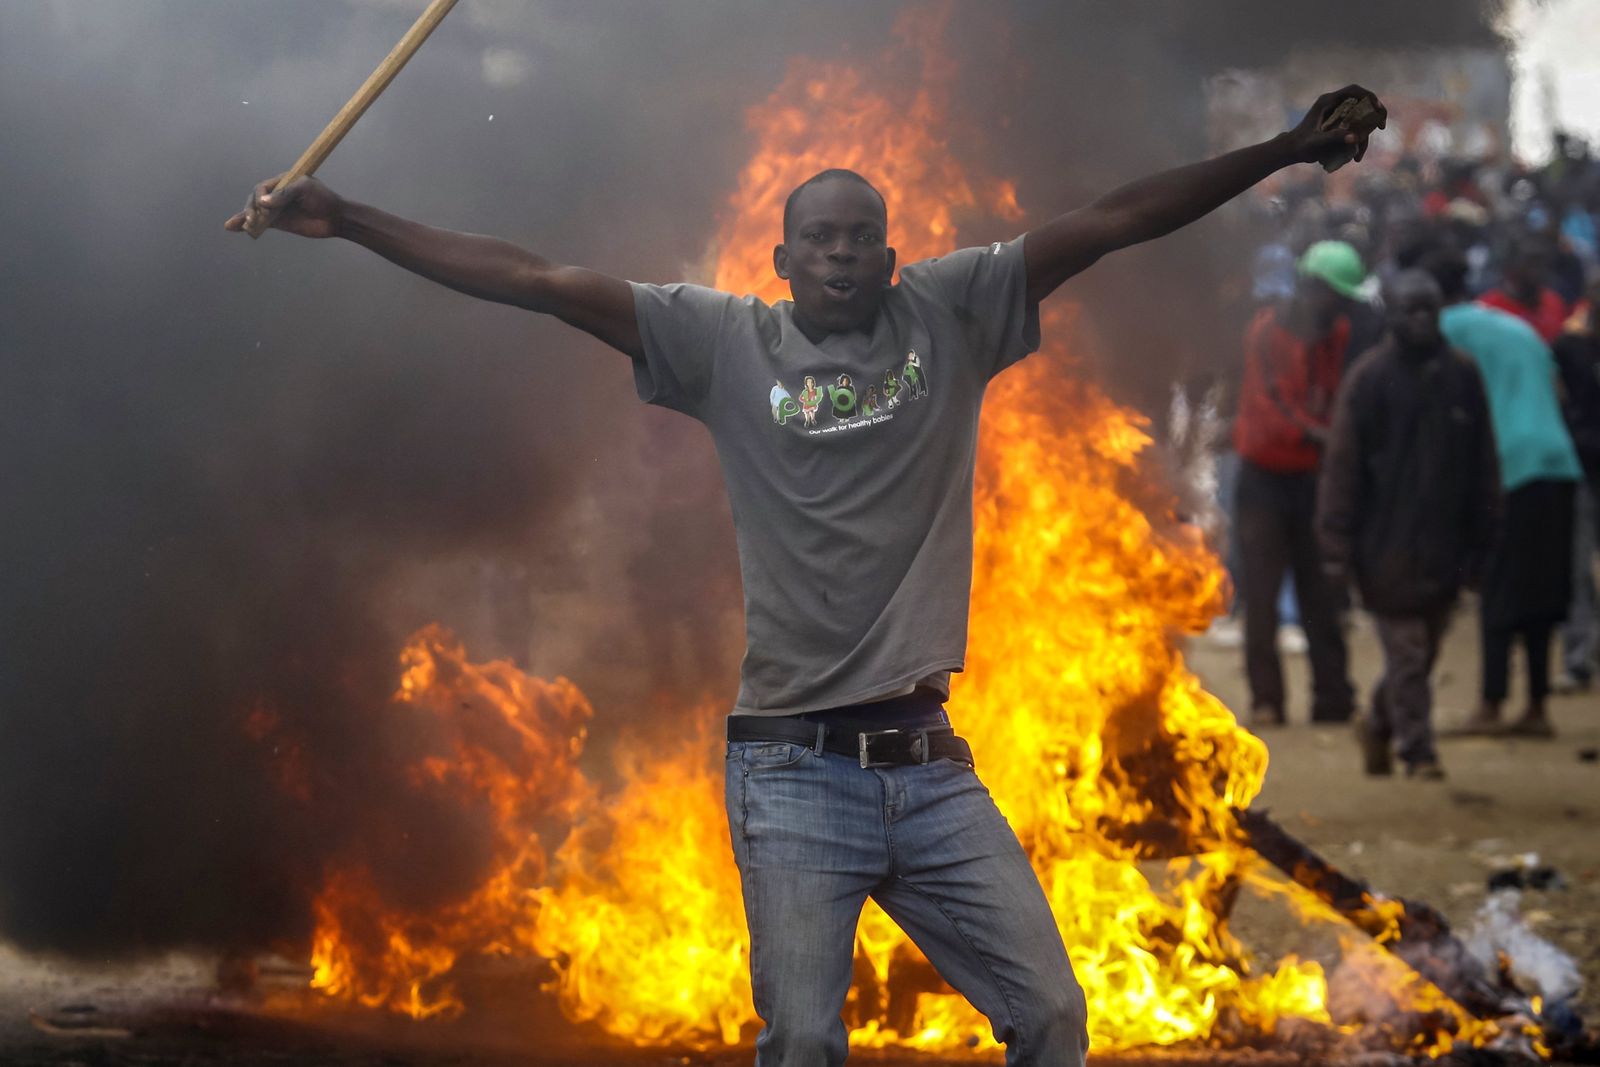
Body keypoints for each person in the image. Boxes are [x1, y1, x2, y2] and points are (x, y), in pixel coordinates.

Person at [227, 85, 1385, 1067]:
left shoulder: (952, 310)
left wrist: (1283, 150)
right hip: (790, 773)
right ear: (779, 262)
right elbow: (533, 276)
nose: (840, 253)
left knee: (1050, 1013)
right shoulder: (721, 342)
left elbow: (1119, 217)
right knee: (801, 1044)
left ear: (892, 252)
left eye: (860, 236)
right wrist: (354, 218)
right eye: (817, 239)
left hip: (933, 775)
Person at [1317, 271, 1499, 779]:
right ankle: (1418, 753)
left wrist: (1484, 542)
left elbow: (1484, 464)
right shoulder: (1370, 380)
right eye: (1410, 311)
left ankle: (1378, 723)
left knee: (1420, 655)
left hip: (1446, 550)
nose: (1421, 320)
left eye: (1429, 310)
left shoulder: (1463, 375)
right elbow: (1342, 472)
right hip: (1385, 552)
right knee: (1410, 655)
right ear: (1391, 316)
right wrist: (1336, 550)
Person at [1426, 252, 1582, 739]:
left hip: (1511, 463)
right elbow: (1557, 390)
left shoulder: (1445, 330)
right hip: (1558, 459)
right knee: (1543, 587)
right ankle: (1536, 706)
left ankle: (1491, 704)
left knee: (1498, 585)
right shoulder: (1511, 325)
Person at [1229, 240, 1362, 729]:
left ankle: (1334, 697)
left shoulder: (1338, 331)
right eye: (1337, 296)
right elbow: (1273, 407)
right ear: (1311, 288)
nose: (1342, 307)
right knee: (1261, 596)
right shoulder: (1266, 331)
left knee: (1322, 591)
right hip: (1263, 480)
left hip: (1310, 478)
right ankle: (1268, 701)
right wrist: (1329, 434)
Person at [1553, 279, 1600, 690]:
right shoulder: (1570, 347)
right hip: (1582, 470)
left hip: (1583, 465)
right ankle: (1579, 657)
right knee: (1578, 570)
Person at [1478, 240, 1570, 344]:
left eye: (1542, 264)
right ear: (1510, 269)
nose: (1538, 272)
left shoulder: (1554, 302)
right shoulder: (1487, 309)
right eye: (1531, 265)